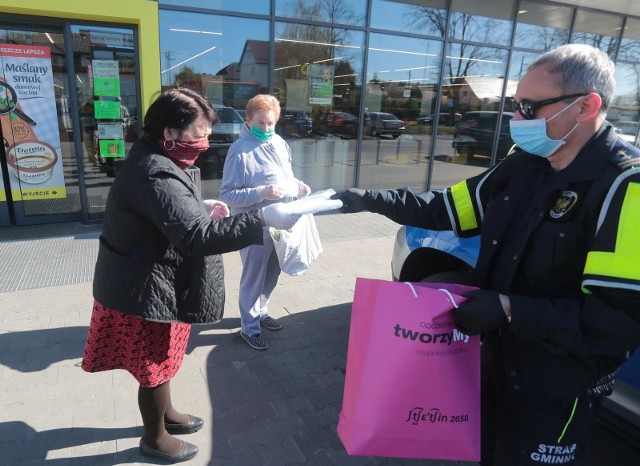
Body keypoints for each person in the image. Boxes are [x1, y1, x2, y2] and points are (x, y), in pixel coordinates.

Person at [332, 44, 640, 466]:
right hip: (496, 365)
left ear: (586, 106)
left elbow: (619, 322)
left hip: (555, 391)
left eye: (529, 107)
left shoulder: (627, 187)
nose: (516, 119)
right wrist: (365, 198)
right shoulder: (527, 160)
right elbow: (447, 208)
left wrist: (511, 308)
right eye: (514, 105)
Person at [81, 88, 300, 463]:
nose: (206, 141)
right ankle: (155, 438)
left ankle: (167, 416)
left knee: (164, 359)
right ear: (170, 133)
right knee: (151, 365)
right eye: (199, 133)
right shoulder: (154, 171)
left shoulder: (156, 160)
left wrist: (197, 205)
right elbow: (196, 237)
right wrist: (261, 218)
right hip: (144, 290)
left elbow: (163, 213)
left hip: (153, 282)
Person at [220, 94, 311, 351]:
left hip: (280, 223)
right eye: (260, 123)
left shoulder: (279, 143)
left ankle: (260, 311)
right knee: (253, 276)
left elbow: (287, 176)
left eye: (271, 123)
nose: (266, 129)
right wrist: (262, 192)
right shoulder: (239, 151)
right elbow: (227, 195)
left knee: (273, 271)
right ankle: (249, 328)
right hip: (253, 225)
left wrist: (298, 186)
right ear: (248, 120)